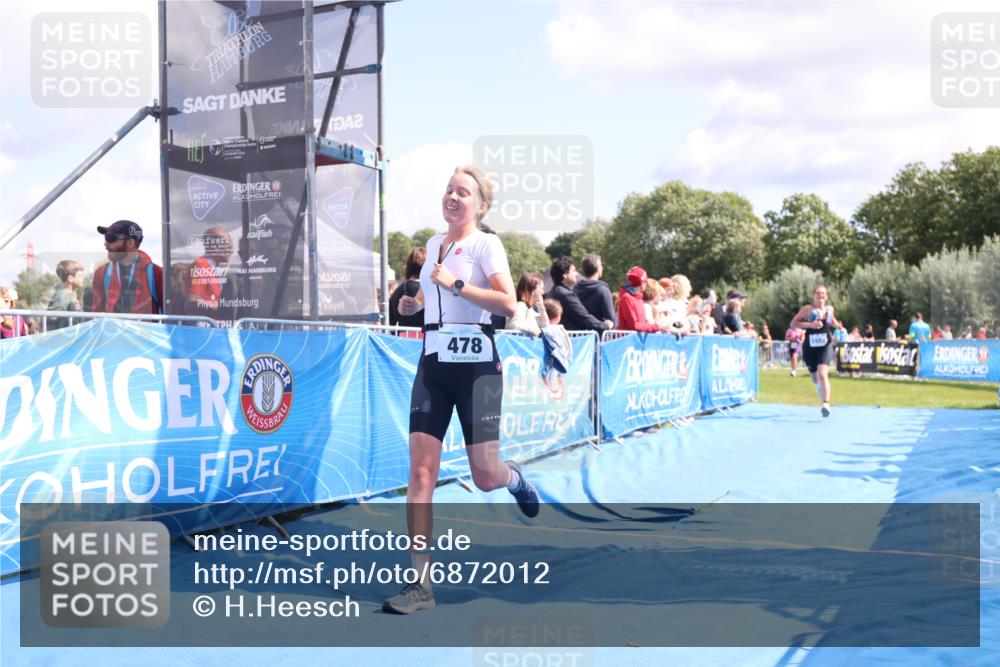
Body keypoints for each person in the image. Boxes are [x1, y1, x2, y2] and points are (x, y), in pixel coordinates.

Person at [389, 166, 537, 615]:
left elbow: (509, 304)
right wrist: (412, 305)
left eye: (462, 192)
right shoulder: (434, 244)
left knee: (484, 476)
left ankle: (512, 478)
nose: (452, 197)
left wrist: (454, 283)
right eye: (448, 189)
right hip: (434, 366)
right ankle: (421, 585)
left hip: (478, 369)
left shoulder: (486, 244)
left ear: (480, 205)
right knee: (420, 475)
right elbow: (432, 306)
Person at [790, 285, 842, 418]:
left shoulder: (829, 310)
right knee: (815, 377)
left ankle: (826, 404)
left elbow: (833, 320)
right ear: (813, 296)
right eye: (818, 293)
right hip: (810, 347)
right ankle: (819, 386)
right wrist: (810, 325)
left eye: (823, 293)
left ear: (826, 296)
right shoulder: (807, 309)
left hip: (825, 345)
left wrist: (839, 327)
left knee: (823, 374)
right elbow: (793, 324)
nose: (821, 296)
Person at [91, 220, 163, 314]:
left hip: (145, 329)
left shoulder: (156, 273)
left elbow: (170, 313)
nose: (105, 244)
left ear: (130, 243)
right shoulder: (101, 273)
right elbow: (96, 313)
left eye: (111, 238)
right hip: (112, 329)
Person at [545, 256, 612, 333]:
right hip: (573, 341)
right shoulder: (565, 295)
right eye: (573, 271)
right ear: (565, 275)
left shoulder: (553, 292)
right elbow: (584, 318)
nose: (576, 273)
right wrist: (605, 326)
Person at [573, 253, 616, 328]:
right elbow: (611, 320)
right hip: (599, 336)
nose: (602, 267)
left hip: (578, 336)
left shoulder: (574, 290)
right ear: (598, 269)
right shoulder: (603, 291)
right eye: (601, 265)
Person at [389, 247, 426, 328]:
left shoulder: (397, 291)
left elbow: (390, 320)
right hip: (424, 338)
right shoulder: (429, 290)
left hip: (401, 339)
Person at [617, 266, 663, 333]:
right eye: (645, 281)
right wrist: (656, 326)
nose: (646, 284)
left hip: (638, 341)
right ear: (642, 283)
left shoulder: (638, 297)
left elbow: (642, 322)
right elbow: (634, 326)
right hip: (629, 341)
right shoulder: (627, 298)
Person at [506, 272, 549, 336]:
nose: (543, 292)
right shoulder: (521, 306)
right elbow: (512, 325)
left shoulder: (530, 309)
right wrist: (531, 329)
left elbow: (545, 326)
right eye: (541, 288)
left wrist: (541, 307)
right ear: (531, 290)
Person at [47, 259, 85, 330]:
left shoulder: (71, 295)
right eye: (80, 275)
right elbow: (51, 321)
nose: (83, 278)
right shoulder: (62, 296)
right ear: (70, 279)